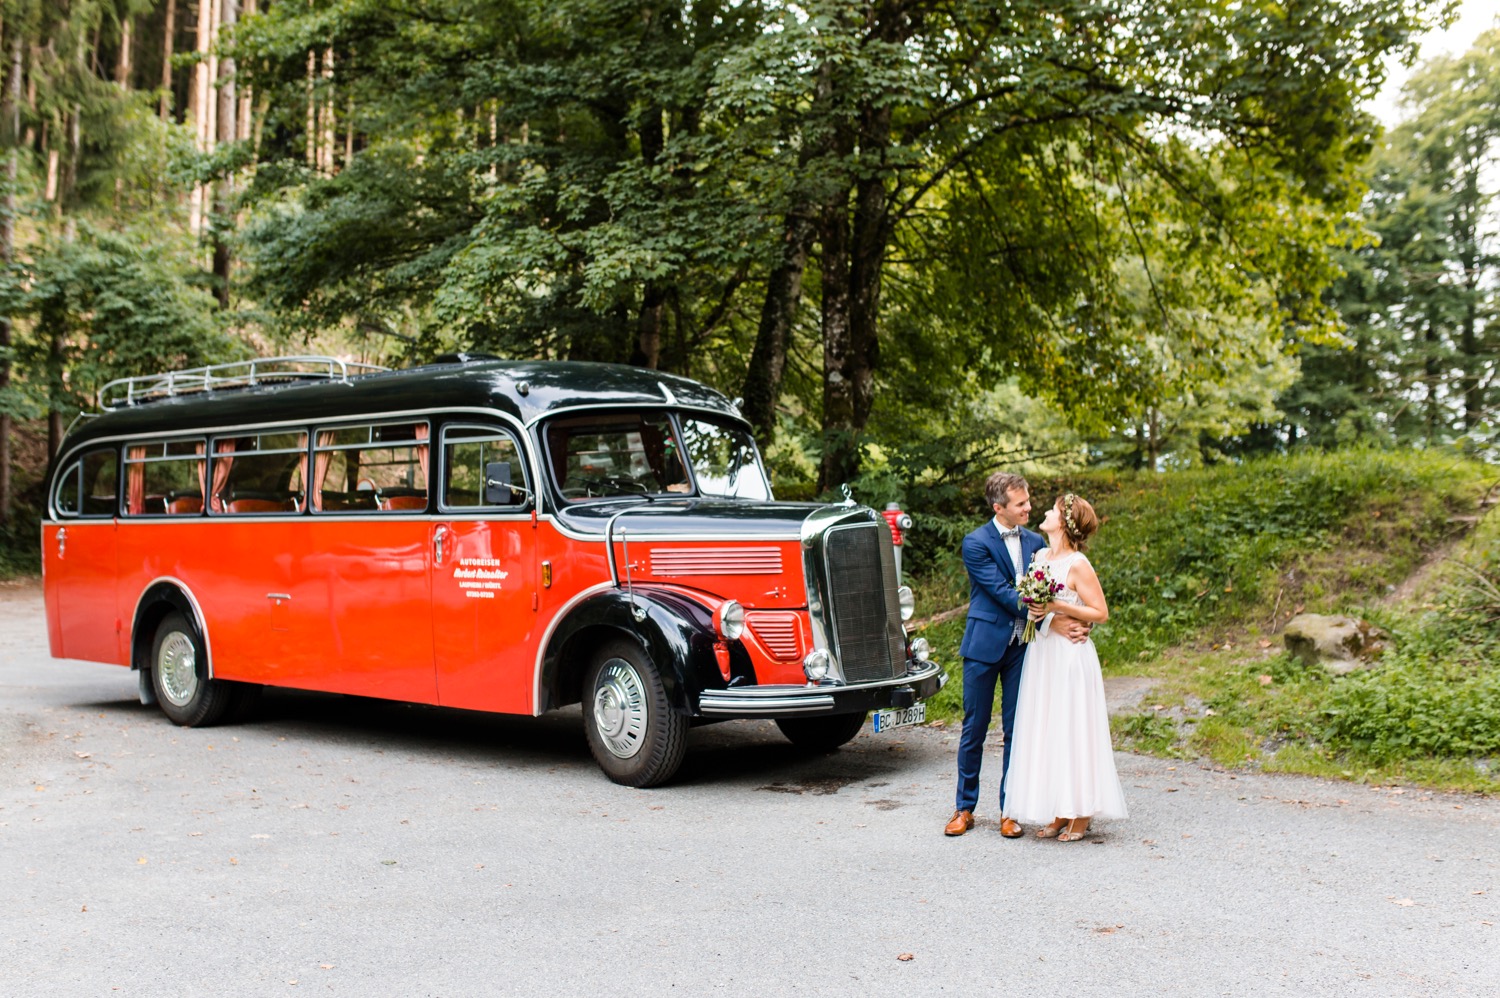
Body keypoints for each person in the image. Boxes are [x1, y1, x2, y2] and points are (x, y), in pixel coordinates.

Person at [945, 473, 1091, 838]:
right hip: (983, 645)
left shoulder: (1037, 542)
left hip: (1024, 649)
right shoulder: (975, 542)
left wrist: (1069, 621)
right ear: (999, 508)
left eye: (1028, 501)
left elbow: (1061, 586)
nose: (1028, 507)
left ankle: (1009, 811)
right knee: (974, 728)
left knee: (1018, 730)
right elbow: (1001, 592)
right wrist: (1051, 619)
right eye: (1021, 504)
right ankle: (964, 808)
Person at [1002, 493, 1128, 841]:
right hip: (1043, 654)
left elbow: (1100, 612)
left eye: (1052, 510)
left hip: (1071, 656)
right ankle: (1060, 810)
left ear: (1065, 522)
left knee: (1073, 729)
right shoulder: (1040, 556)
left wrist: (1058, 605)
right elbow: (1033, 607)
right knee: (1049, 727)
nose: (1043, 512)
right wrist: (1041, 610)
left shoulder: (1078, 564)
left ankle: (1081, 813)